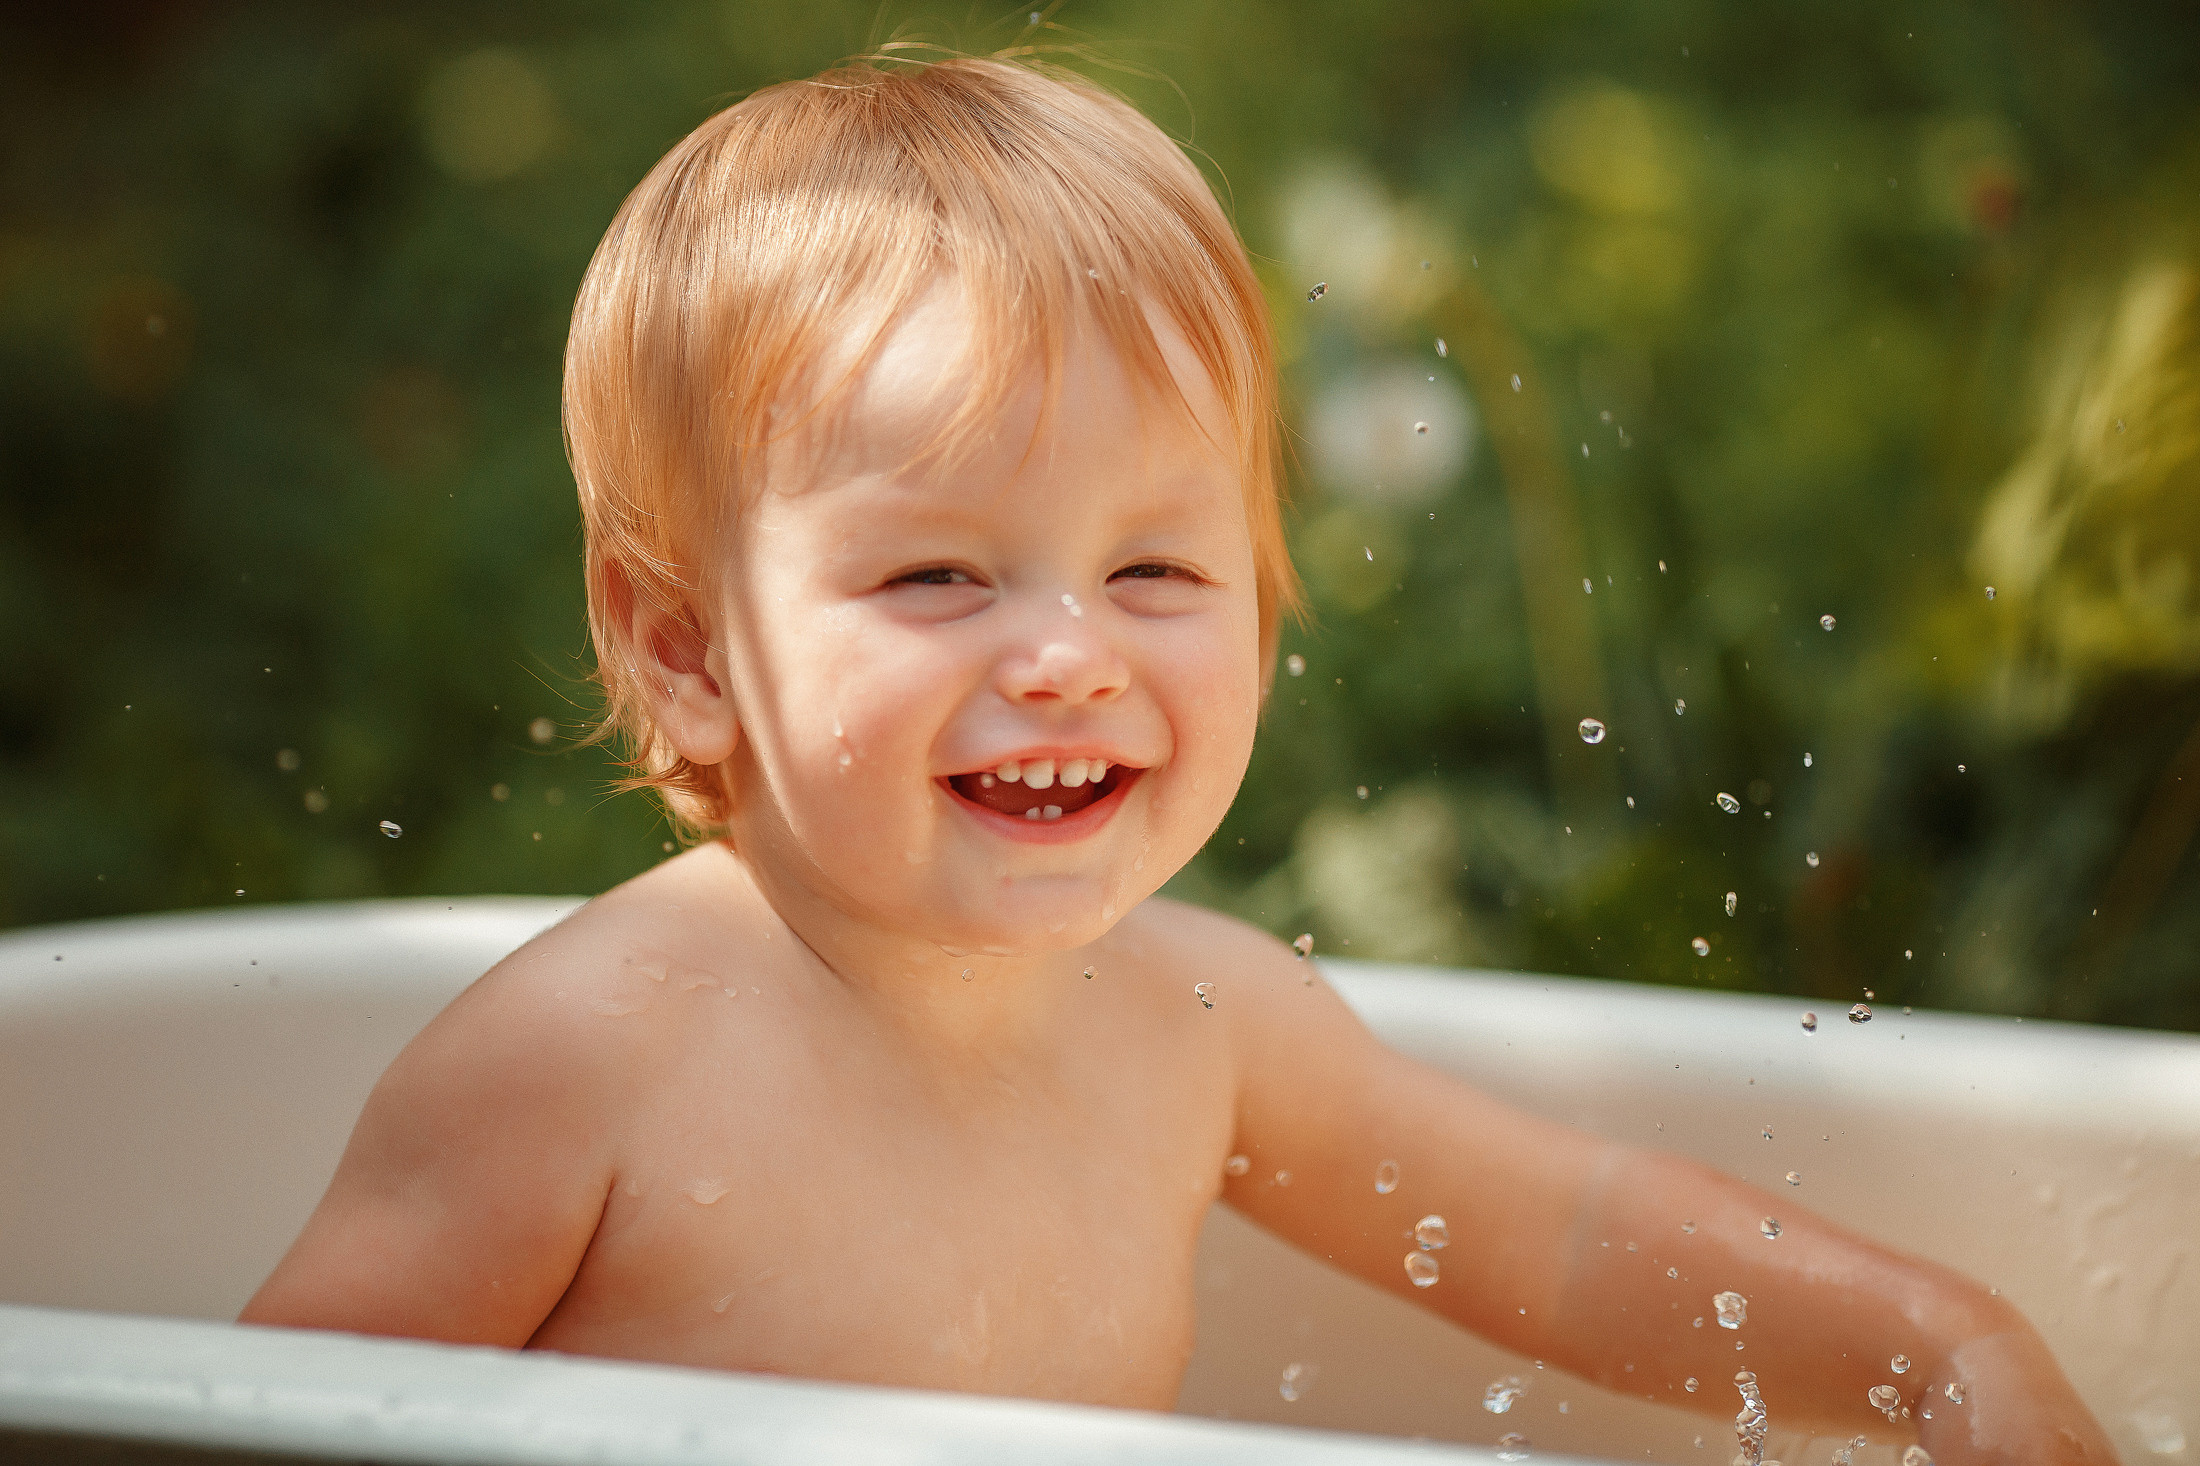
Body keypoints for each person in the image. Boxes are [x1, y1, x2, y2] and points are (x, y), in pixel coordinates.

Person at [239, 54, 2114, 1463]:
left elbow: (1566, 1234)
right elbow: (223, 1425)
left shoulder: (1196, 1023)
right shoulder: (587, 1058)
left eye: (1154, 568)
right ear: (685, 645)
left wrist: (1931, 1346)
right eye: (939, 574)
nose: (1066, 654)